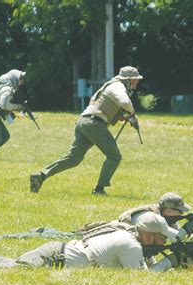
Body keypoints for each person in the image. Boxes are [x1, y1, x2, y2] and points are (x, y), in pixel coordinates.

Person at [0, 212, 193, 273]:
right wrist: (170, 261)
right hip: (54, 258)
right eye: (161, 236)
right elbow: (142, 280)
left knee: (8, 264)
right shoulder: (130, 246)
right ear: (149, 235)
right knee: (12, 270)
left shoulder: (130, 237)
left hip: (57, 252)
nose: (164, 239)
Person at [30, 66, 143, 195]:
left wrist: (123, 117)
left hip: (84, 122)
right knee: (114, 156)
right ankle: (99, 189)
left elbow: (105, 109)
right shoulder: (118, 86)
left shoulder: (111, 86)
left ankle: (40, 176)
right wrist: (132, 112)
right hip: (94, 123)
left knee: (73, 158)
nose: (137, 82)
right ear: (127, 80)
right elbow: (124, 101)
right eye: (135, 79)